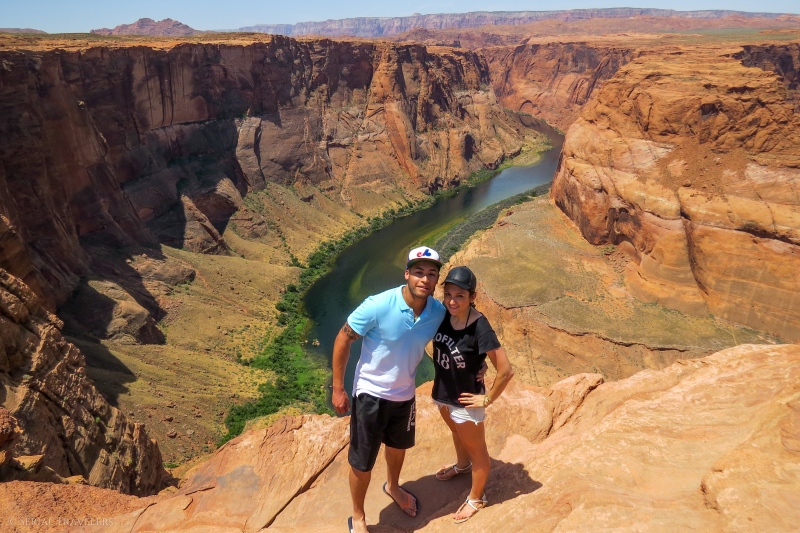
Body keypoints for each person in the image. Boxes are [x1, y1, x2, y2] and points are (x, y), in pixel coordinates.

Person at [332, 246, 446, 533]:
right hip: (370, 395)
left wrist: (478, 365)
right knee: (362, 462)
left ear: (436, 280)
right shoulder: (378, 305)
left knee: (397, 448)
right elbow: (343, 339)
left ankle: (393, 486)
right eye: (418, 272)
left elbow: (460, 334)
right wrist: (338, 389)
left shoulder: (437, 312)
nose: (424, 279)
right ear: (407, 274)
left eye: (431, 274)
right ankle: (358, 516)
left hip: (405, 395)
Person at [431, 265, 514, 524]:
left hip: (466, 402)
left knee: (478, 451)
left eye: (460, 296)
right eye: (448, 295)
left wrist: (487, 399)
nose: (452, 301)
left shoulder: (480, 327)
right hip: (443, 393)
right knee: (457, 433)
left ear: (472, 297)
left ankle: (477, 498)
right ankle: (462, 465)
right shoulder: (443, 315)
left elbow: (506, 370)